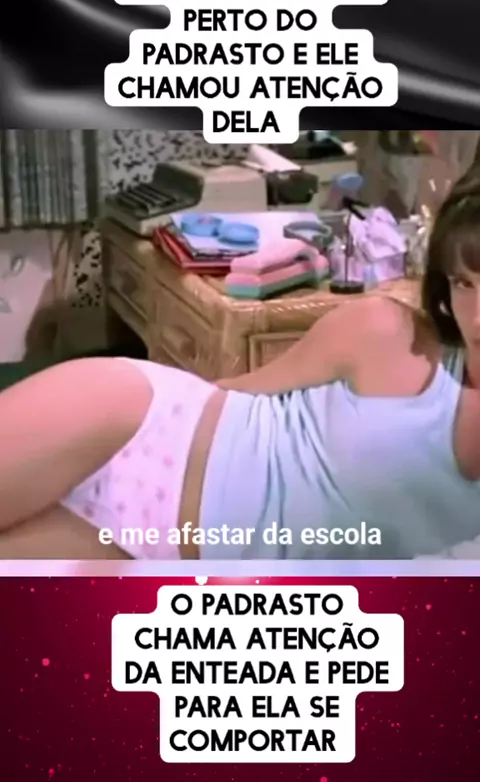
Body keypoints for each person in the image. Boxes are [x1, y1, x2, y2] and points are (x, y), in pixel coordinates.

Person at [0, 167, 479, 561]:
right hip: (142, 428)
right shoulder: (388, 333)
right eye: (464, 283)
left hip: (169, 558)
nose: (476, 315)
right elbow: (236, 391)